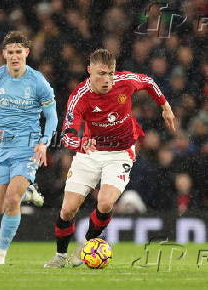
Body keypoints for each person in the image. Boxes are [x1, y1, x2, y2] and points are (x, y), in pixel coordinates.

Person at [44, 48, 176, 268]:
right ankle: (60, 256)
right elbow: (67, 134)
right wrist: (80, 143)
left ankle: (86, 245)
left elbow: (149, 82)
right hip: (89, 153)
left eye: (110, 73)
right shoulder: (79, 97)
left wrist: (165, 106)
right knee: (68, 210)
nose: (107, 79)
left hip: (120, 153)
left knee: (105, 203)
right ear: (89, 71)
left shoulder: (125, 82)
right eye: (101, 74)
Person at [0, 31, 58, 264]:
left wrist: (44, 142)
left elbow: (52, 117)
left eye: (19, 51)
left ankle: (0, 253)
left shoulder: (38, 82)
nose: (15, 56)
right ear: (4, 54)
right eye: (11, 52)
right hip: (0, 151)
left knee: (11, 199)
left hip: (27, 149)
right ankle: (27, 192)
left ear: (27, 53)